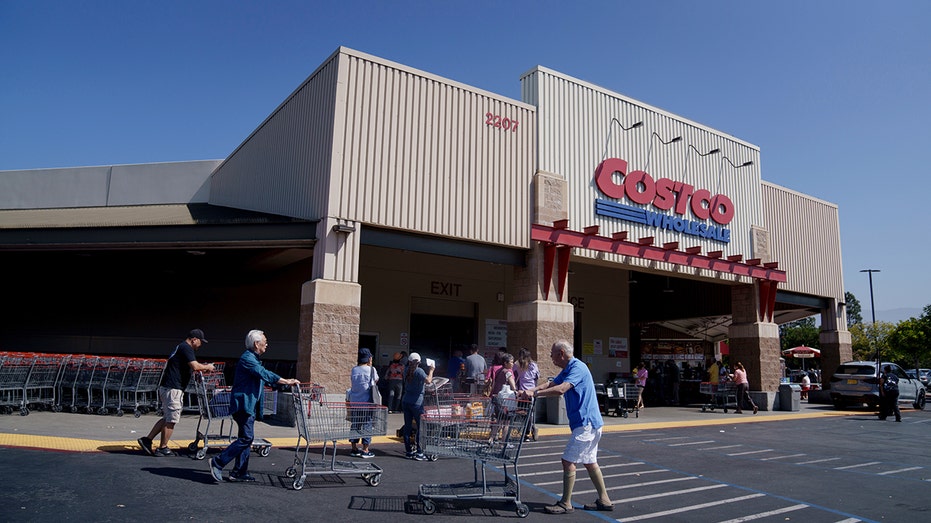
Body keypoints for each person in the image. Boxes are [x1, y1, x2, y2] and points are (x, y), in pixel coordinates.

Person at [521, 340, 613, 514]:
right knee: (590, 462)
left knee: (568, 460)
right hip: (588, 423)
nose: (551, 357)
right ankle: (604, 500)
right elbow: (552, 384)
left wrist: (535, 394)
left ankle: (565, 503)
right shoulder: (568, 369)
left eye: (552, 353)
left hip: (586, 423)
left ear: (561, 353)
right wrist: (532, 390)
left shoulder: (578, 368)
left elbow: (561, 389)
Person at [208, 330, 300, 482]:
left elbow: (262, 377)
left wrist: (278, 383)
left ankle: (239, 472)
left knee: (246, 438)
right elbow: (263, 373)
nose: (267, 343)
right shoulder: (248, 359)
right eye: (265, 341)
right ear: (257, 344)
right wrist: (286, 381)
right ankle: (218, 462)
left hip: (247, 404)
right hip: (243, 404)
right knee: (247, 438)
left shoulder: (253, 358)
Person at [138, 329, 215, 457]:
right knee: (172, 419)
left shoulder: (181, 347)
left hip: (168, 387)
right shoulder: (186, 348)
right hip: (173, 388)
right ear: (194, 339)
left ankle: (147, 440)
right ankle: (162, 448)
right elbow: (195, 366)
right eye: (200, 342)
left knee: (167, 418)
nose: (200, 345)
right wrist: (208, 367)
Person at [401, 352, 435, 460]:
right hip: (417, 402)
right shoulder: (419, 371)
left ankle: (408, 451)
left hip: (406, 400)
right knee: (421, 427)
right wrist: (431, 370)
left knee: (407, 426)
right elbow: (429, 381)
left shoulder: (406, 370)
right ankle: (420, 452)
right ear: (419, 362)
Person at [348, 348, 379, 458]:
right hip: (366, 403)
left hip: (355, 402)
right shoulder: (371, 370)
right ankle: (365, 450)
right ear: (369, 358)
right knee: (367, 424)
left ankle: (354, 448)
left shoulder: (354, 370)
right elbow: (375, 381)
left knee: (355, 424)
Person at [515, 347, 539, 441]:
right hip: (532, 391)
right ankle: (529, 429)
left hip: (522, 392)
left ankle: (527, 431)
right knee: (530, 413)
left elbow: (514, 377)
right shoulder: (534, 365)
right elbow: (536, 378)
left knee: (524, 413)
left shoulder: (517, 366)